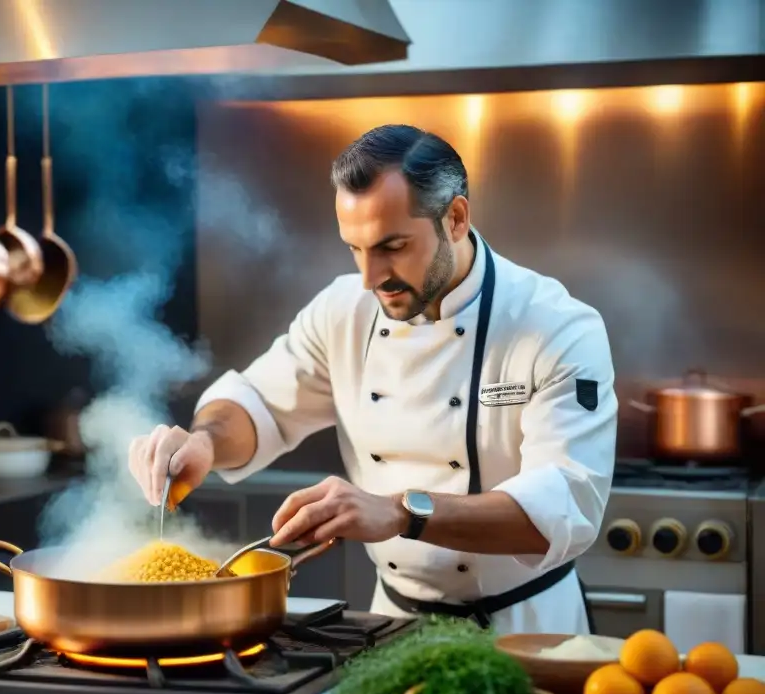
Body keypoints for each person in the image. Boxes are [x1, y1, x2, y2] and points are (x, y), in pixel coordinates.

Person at [128, 124, 617, 635]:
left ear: (454, 218)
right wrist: (205, 443)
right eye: (355, 249)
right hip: (392, 625)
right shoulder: (345, 309)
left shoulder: (556, 326)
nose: (370, 277)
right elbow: (258, 404)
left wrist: (402, 513)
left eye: (393, 246)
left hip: (527, 628)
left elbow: (563, 508)